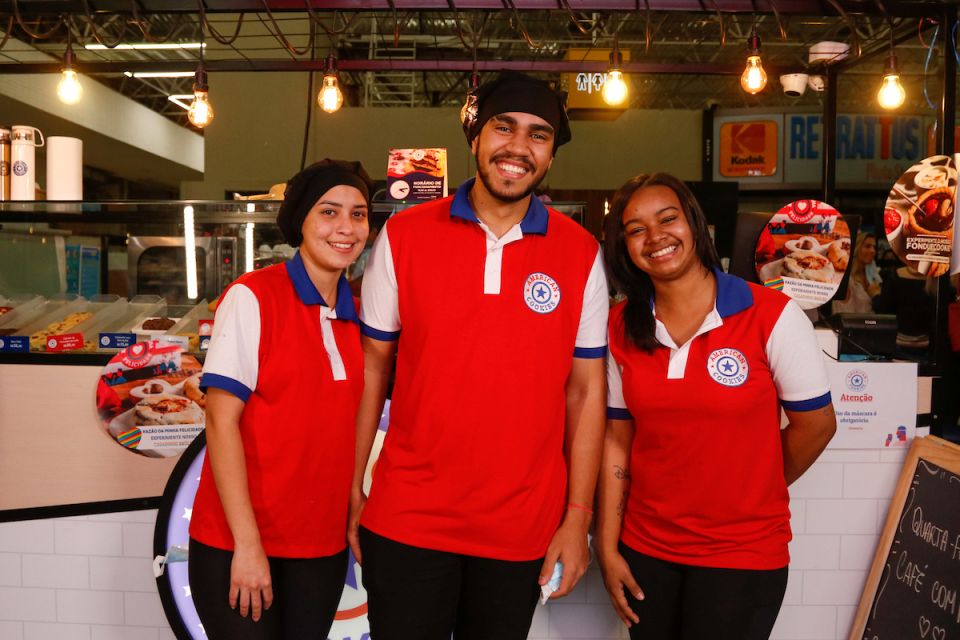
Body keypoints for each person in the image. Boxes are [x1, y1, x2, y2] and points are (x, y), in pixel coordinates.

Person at [351, 71, 609, 640]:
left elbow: (586, 391)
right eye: (503, 127)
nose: (518, 147)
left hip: (521, 525)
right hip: (408, 517)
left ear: (551, 155)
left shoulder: (580, 252)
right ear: (475, 137)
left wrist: (578, 516)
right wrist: (352, 491)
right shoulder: (404, 234)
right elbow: (372, 369)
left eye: (539, 135)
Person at [598, 173, 837, 640]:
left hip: (742, 556)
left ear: (694, 222)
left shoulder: (770, 315)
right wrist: (607, 546)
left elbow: (817, 426)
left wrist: (749, 484)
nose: (656, 237)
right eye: (636, 229)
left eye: (668, 219)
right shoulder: (619, 328)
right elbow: (617, 442)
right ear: (624, 246)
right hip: (647, 551)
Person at [188, 159, 372, 639]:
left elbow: (342, 428)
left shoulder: (356, 317)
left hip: (321, 549)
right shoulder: (253, 297)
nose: (346, 228)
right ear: (301, 222)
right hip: (240, 545)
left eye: (358, 214)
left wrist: (353, 500)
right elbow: (220, 424)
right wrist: (247, 546)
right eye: (329, 212)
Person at [832, 232, 882, 315]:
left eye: (874, 247)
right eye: (867, 246)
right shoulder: (847, 279)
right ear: (857, 247)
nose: (873, 251)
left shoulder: (873, 276)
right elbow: (841, 313)